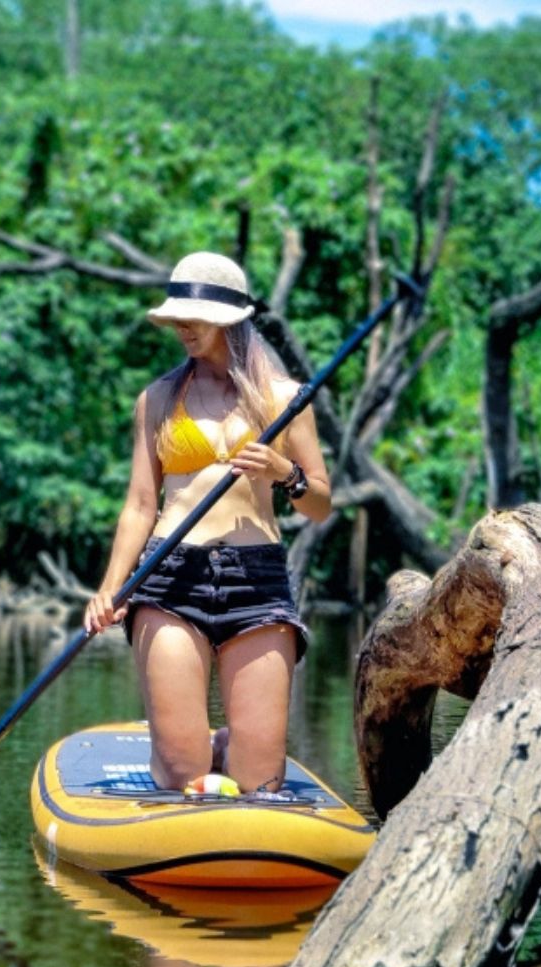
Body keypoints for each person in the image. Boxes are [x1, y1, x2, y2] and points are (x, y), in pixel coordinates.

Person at [82, 252, 331, 794]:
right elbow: (139, 505)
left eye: (192, 317)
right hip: (169, 575)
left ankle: (228, 749)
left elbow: (319, 503)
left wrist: (285, 473)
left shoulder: (285, 400)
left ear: (231, 319)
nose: (181, 328)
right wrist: (110, 587)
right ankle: (193, 755)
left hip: (256, 579)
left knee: (260, 782)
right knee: (179, 776)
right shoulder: (158, 398)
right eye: (177, 318)